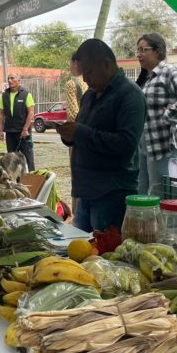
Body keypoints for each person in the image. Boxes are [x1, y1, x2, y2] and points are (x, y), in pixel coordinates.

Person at [56, 39, 146, 233]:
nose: (86, 79)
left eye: (89, 72)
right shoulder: (89, 95)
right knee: (81, 248)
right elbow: (83, 131)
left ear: (106, 63)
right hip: (85, 193)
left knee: (105, 250)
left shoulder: (130, 94)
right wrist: (69, 135)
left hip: (111, 194)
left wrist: (79, 132)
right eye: (83, 73)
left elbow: (126, 144)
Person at [135, 33, 177, 198]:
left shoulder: (169, 71)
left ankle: (162, 217)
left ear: (158, 51)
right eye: (137, 50)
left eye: (143, 50)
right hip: (144, 145)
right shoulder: (146, 78)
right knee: (141, 191)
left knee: (160, 193)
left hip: (163, 145)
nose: (139, 54)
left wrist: (169, 116)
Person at [0, 73, 36, 171]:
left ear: (19, 80)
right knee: (12, 158)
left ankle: (32, 176)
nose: (10, 80)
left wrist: (25, 129)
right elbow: (1, 114)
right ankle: (14, 177)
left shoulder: (26, 94)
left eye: (12, 78)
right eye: (8, 78)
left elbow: (31, 113)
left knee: (29, 156)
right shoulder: (4, 96)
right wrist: (0, 131)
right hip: (10, 132)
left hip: (24, 132)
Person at [64, 52, 89, 123]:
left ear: (75, 62)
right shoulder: (91, 81)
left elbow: (73, 115)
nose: (70, 66)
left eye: (70, 63)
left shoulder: (71, 84)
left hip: (80, 126)